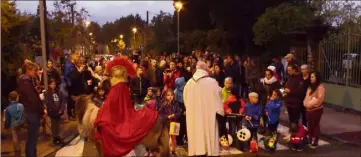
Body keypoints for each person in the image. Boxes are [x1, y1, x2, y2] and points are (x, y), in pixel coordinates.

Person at [93, 57, 159, 156]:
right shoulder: (123, 87)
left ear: (114, 77)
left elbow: (110, 107)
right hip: (126, 116)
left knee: (104, 127)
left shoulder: (116, 89)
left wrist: (101, 116)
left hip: (118, 121)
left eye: (110, 77)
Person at [183, 61, 224, 156]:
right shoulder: (212, 82)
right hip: (209, 115)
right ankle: (210, 151)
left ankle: (197, 151)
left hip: (194, 116)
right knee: (209, 132)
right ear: (205, 69)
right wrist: (220, 111)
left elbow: (185, 101)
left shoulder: (189, 84)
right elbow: (219, 99)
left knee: (196, 132)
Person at [18, 61, 45, 157]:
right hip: (32, 113)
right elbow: (33, 100)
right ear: (28, 71)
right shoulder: (25, 82)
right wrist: (42, 111)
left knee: (32, 138)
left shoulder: (27, 81)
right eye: (34, 70)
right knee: (32, 139)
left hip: (31, 112)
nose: (36, 72)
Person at [303, 72, 325, 148]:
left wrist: (310, 104)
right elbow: (307, 96)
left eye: (312, 77)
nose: (311, 78)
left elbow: (319, 99)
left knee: (315, 125)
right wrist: (305, 103)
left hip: (316, 109)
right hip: (308, 109)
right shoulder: (310, 87)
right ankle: (310, 139)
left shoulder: (320, 87)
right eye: (311, 77)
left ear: (317, 78)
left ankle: (316, 141)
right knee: (309, 124)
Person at [158, 89, 182, 156]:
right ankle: (166, 151)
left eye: (171, 95)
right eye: (168, 95)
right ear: (165, 96)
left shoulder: (176, 103)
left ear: (174, 96)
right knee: (166, 138)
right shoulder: (163, 104)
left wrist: (174, 115)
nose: (170, 97)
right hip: (166, 123)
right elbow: (160, 113)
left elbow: (179, 112)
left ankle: (173, 150)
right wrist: (167, 117)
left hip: (174, 122)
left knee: (174, 138)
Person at [44, 79, 65, 145]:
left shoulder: (59, 92)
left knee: (58, 125)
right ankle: (55, 137)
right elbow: (49, 103)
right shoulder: (47, 93)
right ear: (49, 85)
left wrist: (61, 109)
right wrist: (56, 110)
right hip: (53, 112)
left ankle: (57, 136)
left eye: (54, 84)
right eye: (51, 84)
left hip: (59, 111)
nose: (53, 86)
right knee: (54, 125)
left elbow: (62, 101)